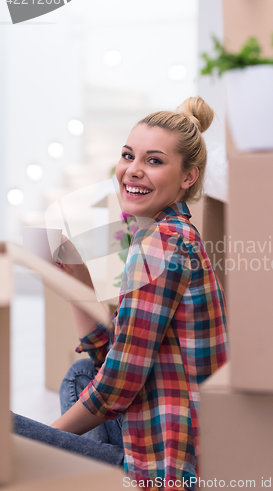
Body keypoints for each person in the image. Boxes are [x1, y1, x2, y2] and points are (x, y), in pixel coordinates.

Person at [13, 96, 229, 491]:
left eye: (154, 161)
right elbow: (109, 354)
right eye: (128, 155)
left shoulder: (163, 244)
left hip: (165, 471)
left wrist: (46, 445)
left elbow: (117, 386)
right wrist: (75, 272)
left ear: (188, 177)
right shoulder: (161, 232)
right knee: (80, 374)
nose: (133, 170)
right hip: (161, 438)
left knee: (10, 432)